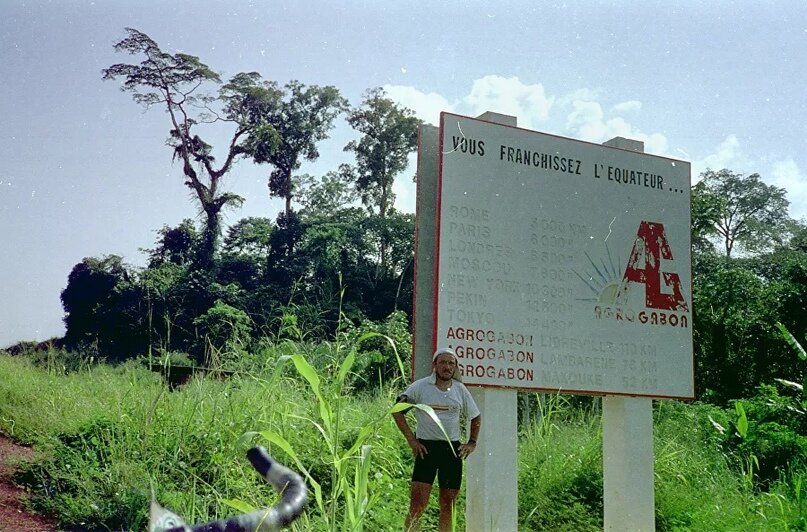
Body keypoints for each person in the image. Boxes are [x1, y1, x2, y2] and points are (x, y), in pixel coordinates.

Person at [392, 347, 482, 532]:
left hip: (452, 451)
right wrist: (412, 441)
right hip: (426, 450)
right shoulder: (421, 386)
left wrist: (472, 442)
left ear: (455, 367)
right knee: (418, 504)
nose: (447, 367)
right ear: (435, 365)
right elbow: (397, 411)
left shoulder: (460, 390)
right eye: (443, 362)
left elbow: (475, 416)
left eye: (451, 363)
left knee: (448, 505)